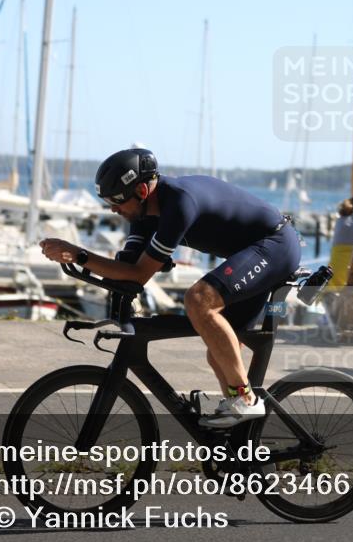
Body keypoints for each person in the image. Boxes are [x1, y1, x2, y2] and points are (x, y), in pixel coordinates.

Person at [39, 148, 301, 428]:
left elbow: (138, 275)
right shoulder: (142, 216)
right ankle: (242, 449)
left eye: (116, 200)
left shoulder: (178, 202)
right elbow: (128, 268)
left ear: (141, 190)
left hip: (274, 245)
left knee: (199, 300)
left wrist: (80, 255)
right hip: (250, 252)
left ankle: (245, 400)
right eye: (106, 202)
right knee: (219, 353)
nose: (112, 209)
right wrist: (83, 263)